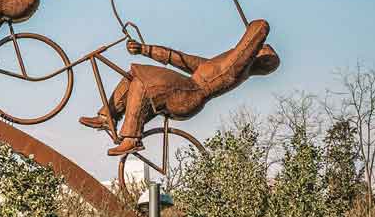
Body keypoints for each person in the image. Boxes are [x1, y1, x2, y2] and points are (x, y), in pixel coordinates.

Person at [79, 19, 281, 156]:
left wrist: (255, 30)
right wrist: (145, 50)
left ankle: (131, 137)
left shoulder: (235, 69)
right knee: (134, 75)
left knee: (145, 82)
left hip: (189, 95)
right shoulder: (218, 63)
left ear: (254, 56)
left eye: (258, 49)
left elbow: (260, 26)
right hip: (185, 89)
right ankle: (108, 116)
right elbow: (181, 60)